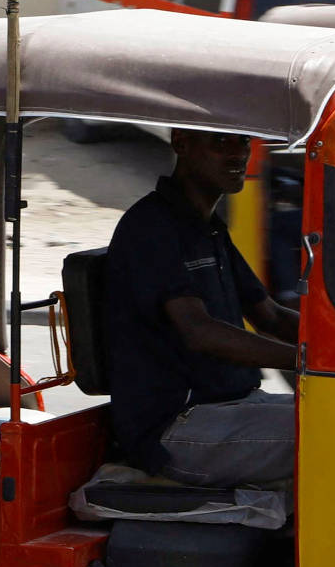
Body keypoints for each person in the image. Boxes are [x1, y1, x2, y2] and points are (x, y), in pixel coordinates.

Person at [101, 129, 301, 488]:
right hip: (177, 427)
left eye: (243, 142)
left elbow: (268, 314)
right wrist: (306, 360)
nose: (238, 153)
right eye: (221, 142)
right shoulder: (150, 227)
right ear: (182, 144)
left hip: (234, 407)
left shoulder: (208, 227)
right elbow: (198, 331)